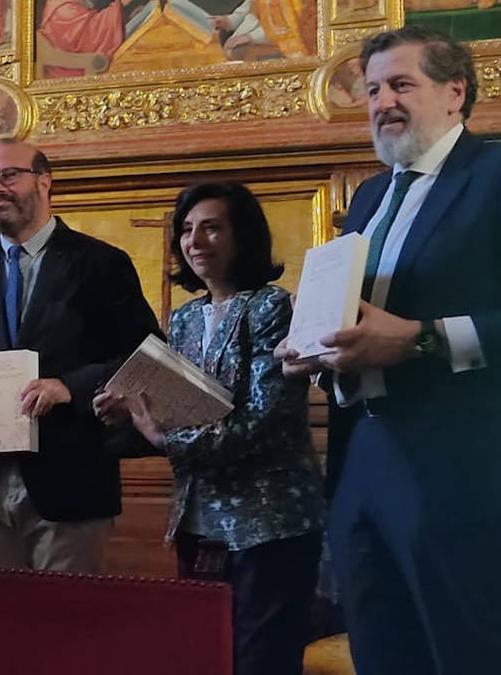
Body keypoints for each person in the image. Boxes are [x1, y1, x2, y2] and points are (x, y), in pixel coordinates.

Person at [278, 27, 501, 675]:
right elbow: (359, 324)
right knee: (383, 653)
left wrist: (422, 338)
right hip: (362, 456)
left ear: (455, 92)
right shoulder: (369, 196)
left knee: (471, 654)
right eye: (373, 89)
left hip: (465, 470)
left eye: (401, 84)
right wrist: (315, 350)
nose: (382, 101)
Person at [94, 182, 324, 675]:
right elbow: (178, 411)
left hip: (269, 523)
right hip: (198, 522)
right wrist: (129, 412)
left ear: (243, 236)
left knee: (261, 662)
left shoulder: (272, 307)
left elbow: (263, 419)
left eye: (211, 227)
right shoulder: (184, 319)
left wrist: (165, 438)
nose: (194, 241)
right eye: (186, 229)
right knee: (208, 656)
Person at [0, 138, 161, 571]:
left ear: (44, 182)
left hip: (70, 484)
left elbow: (147, 358)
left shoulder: (100, 263)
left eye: (8, 176)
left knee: (64, 615)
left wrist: (69, 387)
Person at [37, 0, 144, 77]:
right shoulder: (62, 4)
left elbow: (87, 26)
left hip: (72, 59)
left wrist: (127, 17)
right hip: (69, 68)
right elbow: (90, 29)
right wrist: (121, 4)